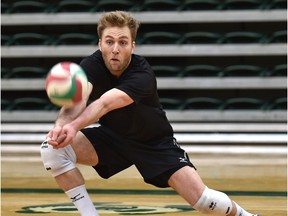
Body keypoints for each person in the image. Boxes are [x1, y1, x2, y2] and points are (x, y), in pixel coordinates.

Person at [40, 11, 260, 216]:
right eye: (109, 42)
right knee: (51, 148)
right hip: (113, 139)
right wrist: (61, 127)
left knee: (205, 201)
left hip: (154, 142)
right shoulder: (91, 64)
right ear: (100, 44)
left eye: (122, 42)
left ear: (132, 46)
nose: (115, 48)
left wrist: (74, 126)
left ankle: (245, 215)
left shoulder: (142, 73)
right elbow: (78, 99)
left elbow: (104, 105)